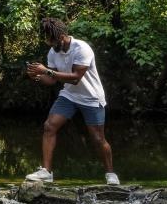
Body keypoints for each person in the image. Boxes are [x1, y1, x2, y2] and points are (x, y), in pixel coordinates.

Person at [23, 17, 118, 185]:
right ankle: (46, 172)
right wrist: (37, 77)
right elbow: (52, 80)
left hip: (91, 97)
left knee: (98, 139)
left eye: (50, 40)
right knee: (49, 126)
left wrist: (46, 71)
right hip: (69, 95)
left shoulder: (82, 48)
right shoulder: (53, 52)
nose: (48, 43)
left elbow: (75, 78)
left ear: (61, 37)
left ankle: (110, 174)